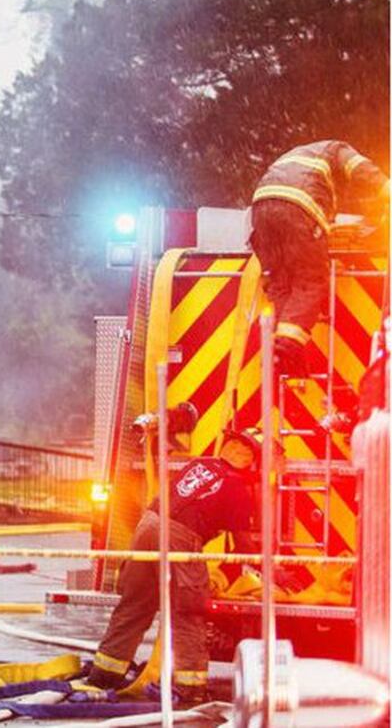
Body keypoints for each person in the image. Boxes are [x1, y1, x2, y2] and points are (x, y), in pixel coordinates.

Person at [84, 424, 305, 702]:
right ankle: (190, 689)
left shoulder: (201, 463)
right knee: (188, 612)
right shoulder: (237, 486)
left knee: (135, 605)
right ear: (252, 457)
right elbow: (244, 547)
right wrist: (275, 573)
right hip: (180, 538)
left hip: (147, 526)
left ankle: (104, 676)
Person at [250, 140, 389, 373]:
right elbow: (361, 169)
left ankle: (280, 350)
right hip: (297, 208)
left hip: (260, 210)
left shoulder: (299, 158)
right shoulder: (335, 150)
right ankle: (287, 347)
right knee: (310, 280)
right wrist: (386, 188)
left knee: (282, 283)